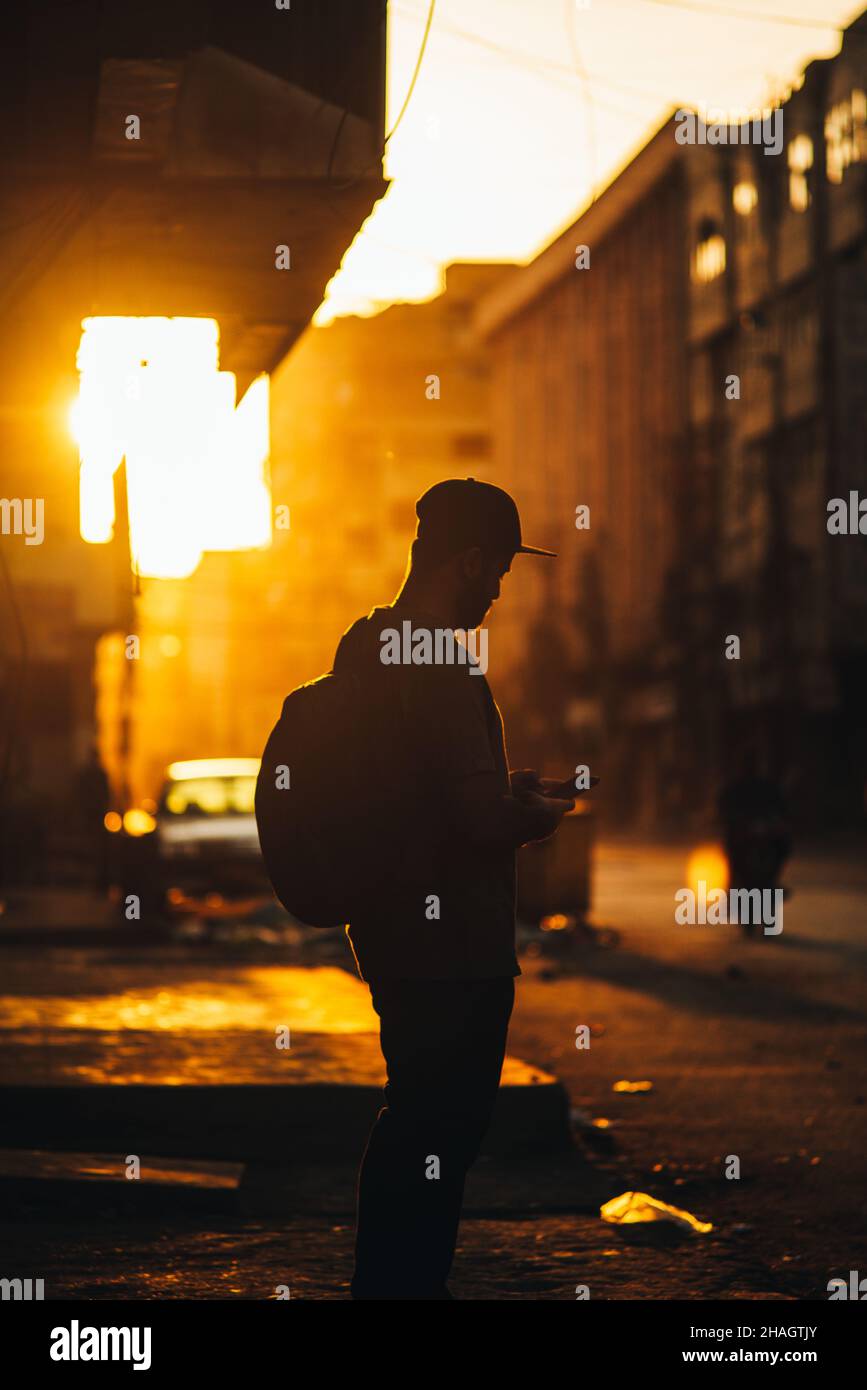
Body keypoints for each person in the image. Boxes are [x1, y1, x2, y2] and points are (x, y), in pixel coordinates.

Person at [334, 478, 576, 1300]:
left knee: (413, 1117)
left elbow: (417, 789)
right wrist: (535, 815)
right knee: (440, 1123)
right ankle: (402, 1290)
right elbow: (472, 818)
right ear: (469, 561)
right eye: (500, 569)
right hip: (451, 946)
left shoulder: (368, 644)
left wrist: (493, 790)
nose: (501, 588)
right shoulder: (439, 656)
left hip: (393, 930)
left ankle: (389, 1285)